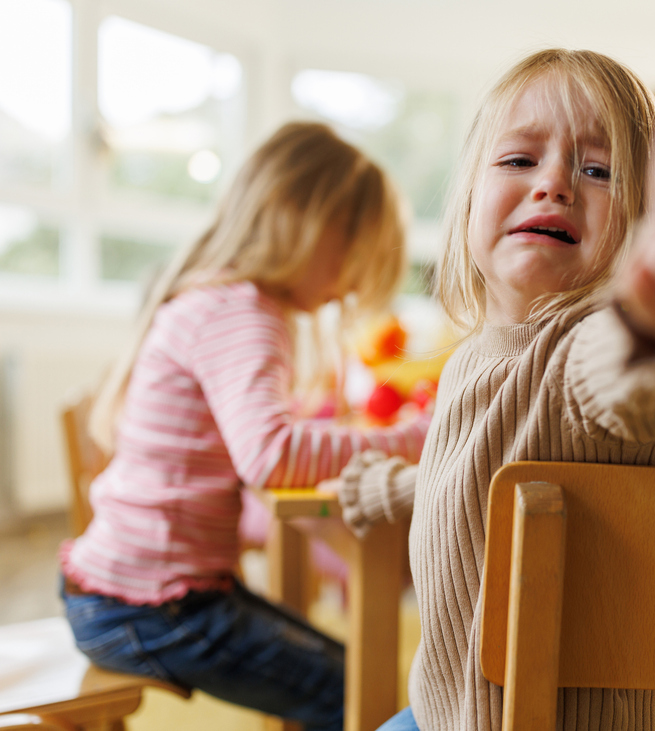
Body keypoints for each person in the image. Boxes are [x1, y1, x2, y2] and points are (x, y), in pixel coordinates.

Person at [337, 49, 655, 731]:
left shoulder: (589, 348)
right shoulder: (473, 361)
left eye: (597, 170)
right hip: (446, 713)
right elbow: (482, 474)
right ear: (465, 203)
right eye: (519, 160)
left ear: (640, 234)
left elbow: (627, 380)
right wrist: (387, 489)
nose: (554, 183)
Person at [59, 122, 431, 731]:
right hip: (153, 606)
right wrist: (417, 438)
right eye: (352, 256)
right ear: (308, 225)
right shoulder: (242, 310)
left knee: (341, 668)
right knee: (352, 687)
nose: (349, 285)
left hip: (128, 593)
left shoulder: (222, 299)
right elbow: (273, 455)